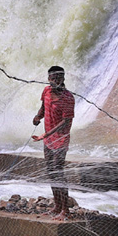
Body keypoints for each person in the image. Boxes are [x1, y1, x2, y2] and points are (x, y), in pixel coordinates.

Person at [31, 65, 76, 219]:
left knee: (58, 172)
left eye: (60, 77)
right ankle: (57, 206)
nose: (57, 80)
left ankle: (66, 210)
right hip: (48, 139)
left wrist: (45, 134)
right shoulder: (46, 91)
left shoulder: (68, 98)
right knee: (51, 172)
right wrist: (38, 117)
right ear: (49, 79)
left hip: (61, 140)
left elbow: (65, 121)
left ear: (63, 78)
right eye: (54, 77)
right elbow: (44, 107)